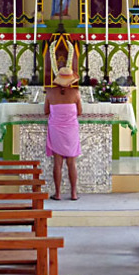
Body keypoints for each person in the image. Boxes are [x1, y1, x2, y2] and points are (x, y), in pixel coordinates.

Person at [44, 66, 82, 200]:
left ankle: (58, 193)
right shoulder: (76, 93)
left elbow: (46, 111)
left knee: (57, 163)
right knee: (71, 163)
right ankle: (73, 193)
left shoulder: (50, 93)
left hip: (56, 129)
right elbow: (80, 112)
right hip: (71, 129)